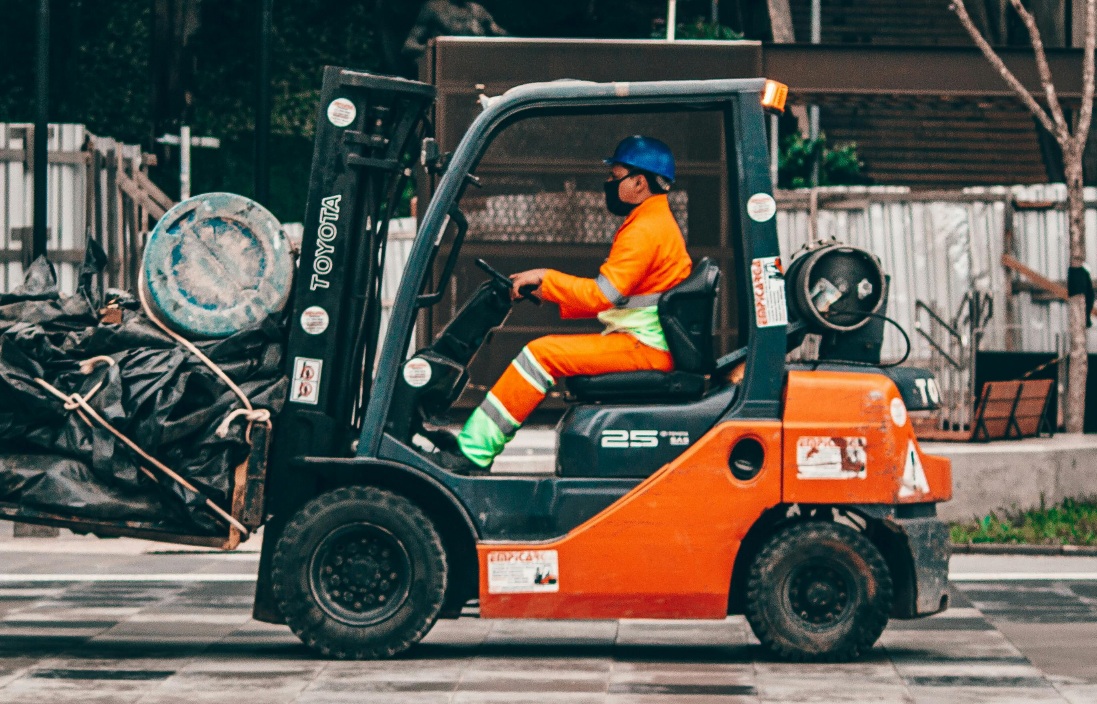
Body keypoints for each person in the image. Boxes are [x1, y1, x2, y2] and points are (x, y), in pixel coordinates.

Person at [439, 136, 692, 472]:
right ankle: (473, 446)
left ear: (638, 182)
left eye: (614, 178)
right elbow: (615, 297)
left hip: (644, 347)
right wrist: (546, 291)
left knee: (540, 355)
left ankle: (473, 454)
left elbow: (602, 296)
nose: (607, 185)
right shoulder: (651, 222)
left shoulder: (646, 229)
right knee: (544, 352)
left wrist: (548, 276)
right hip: (644, 342)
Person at [402, 0, 508, 61]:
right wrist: (435, 52)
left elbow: (505, 38)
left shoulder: (478, 11)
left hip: (477, 70)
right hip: (445, 71)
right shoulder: (434, 8)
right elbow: (409, 45)